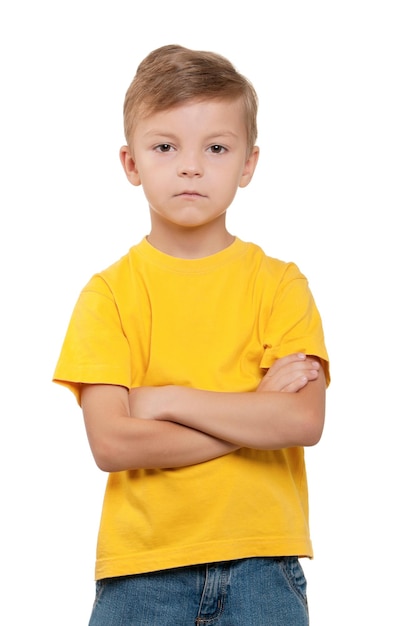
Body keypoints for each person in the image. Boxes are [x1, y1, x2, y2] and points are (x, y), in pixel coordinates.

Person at [53, 44, 330, 626]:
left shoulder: (280, 285)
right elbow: (114, 444)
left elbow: (302, 422)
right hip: (141, 573)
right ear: (131, 164)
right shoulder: (108, 295)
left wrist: (168, 401)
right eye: (164, 146)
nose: (190, 166)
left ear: (249, 163)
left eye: (217, 148)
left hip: (264, 566)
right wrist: (255, 411)